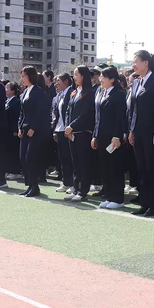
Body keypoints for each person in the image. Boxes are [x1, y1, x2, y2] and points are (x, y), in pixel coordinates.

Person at [128, 50, 154, 217]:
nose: (133, 64)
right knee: (141, 169)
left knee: (152, 169)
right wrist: (131, 130)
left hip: (151, 133)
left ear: (146, 63)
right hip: (138, 133)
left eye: (136, 61)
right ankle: (144, 203)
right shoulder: (136, 82)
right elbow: (133, 110)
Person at [91, 66, 128, 208]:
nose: (100, 79)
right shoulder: (101, 93)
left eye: (103, 77)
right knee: (105, 167)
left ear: (112, 79)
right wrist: (95, 135)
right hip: (102, 136)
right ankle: (109, 195)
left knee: (115, 168)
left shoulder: (119, 95)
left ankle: (118, 199)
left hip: (113, 137)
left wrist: (117, 136)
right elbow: (98, 118)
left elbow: (120, 117)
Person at [18, 66, 51, 197]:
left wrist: (33, 127)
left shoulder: (39, 92)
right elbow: (22, 112)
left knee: (30, 158)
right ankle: (29, 185)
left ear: (30, 76)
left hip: (35, 131)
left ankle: (35, 186)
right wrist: (19, 127)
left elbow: (42, 112)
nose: (22, 79)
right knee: (23, 158)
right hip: (25, 129)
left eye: (24, 76)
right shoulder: (24, 92)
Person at [64, 66, 95, 202]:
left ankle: (83, 191)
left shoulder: (89, 93)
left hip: (83, 132)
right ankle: (76, 188)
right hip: (72, 133)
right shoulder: (74, 92)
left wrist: (72, 126)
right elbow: (68, 111)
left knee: (84, 163)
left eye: (76, 74)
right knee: (75, 163)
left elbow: (85, 114)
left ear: (83, 76)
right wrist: (67, 127)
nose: (74, 77)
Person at [52, 73, 74, 193]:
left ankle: (72, 183)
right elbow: (57, 114)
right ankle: (66, 182)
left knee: (69, 158)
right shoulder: (59, 95)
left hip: (67, 130)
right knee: (63, 158)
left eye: (58, 81)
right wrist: (55, 130)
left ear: (66, 81)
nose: (56, 84)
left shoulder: (72, 93)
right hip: (59, 129)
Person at [5, 82, 22, 180]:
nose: (5, 90)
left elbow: (16, 117)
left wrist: (16, 129)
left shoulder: (16, 102)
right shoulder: (7, 101)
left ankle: (15, 171)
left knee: (13, 151)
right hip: (6, 131)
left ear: (13, 91)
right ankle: (9, 169)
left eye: (7, 88)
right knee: (8, 151)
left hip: (13, 131)